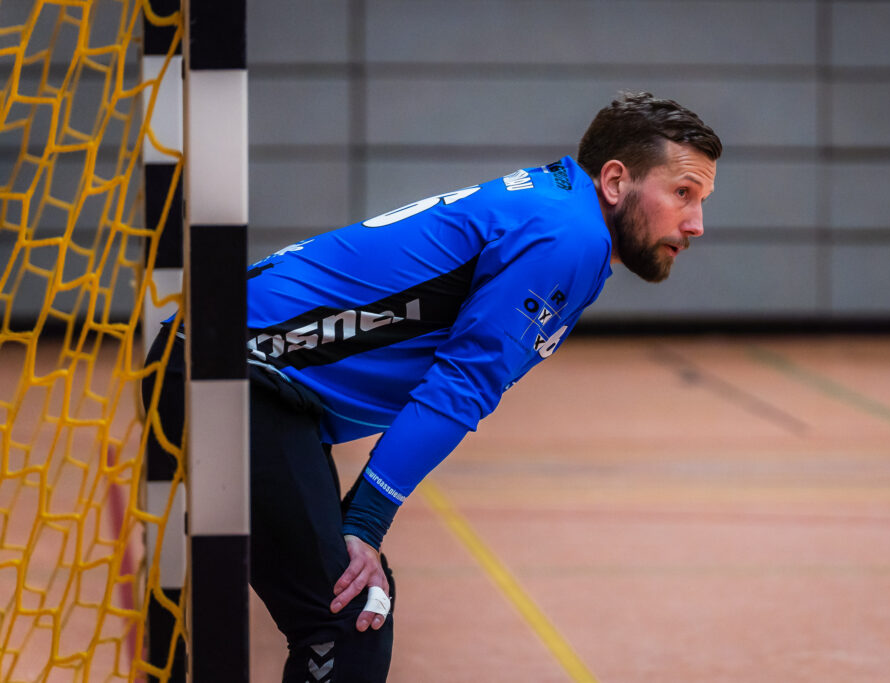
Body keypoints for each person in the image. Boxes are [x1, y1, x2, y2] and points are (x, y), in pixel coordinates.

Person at [144, 91, 720, 682]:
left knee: (356, 607)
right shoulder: (568, 235)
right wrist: (366, 520)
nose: (696, 223)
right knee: (349, 621)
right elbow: (462, 382)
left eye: (702, 199)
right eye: (683, 193)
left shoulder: (557, 205)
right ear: (616, 181)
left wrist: (363, 520)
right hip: (233, 375)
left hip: (244, 375)